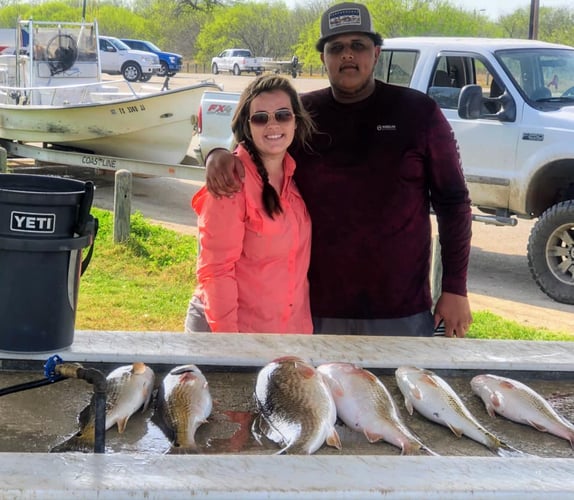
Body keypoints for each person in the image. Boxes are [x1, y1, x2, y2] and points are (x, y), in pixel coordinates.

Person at [204, 2, 473, 338]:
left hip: (400, 310)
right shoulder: (302, 114)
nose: (348, 55)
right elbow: (256, 147)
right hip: (314, 312)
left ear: (376, 53)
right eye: (337, 48)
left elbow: (454, 203)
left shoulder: (418, 113)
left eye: (358, 45)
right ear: (323, 58)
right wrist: (217, 154)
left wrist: (455, 288)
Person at [185, 74, 316, 334]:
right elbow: (216, 272)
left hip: (287, 333)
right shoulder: (230, 182)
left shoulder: (296, 174)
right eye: (260, 118)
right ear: (247, 125)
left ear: (296, 121)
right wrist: (231, 345)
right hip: (231, 332)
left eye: (282, 115)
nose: (272, 125)